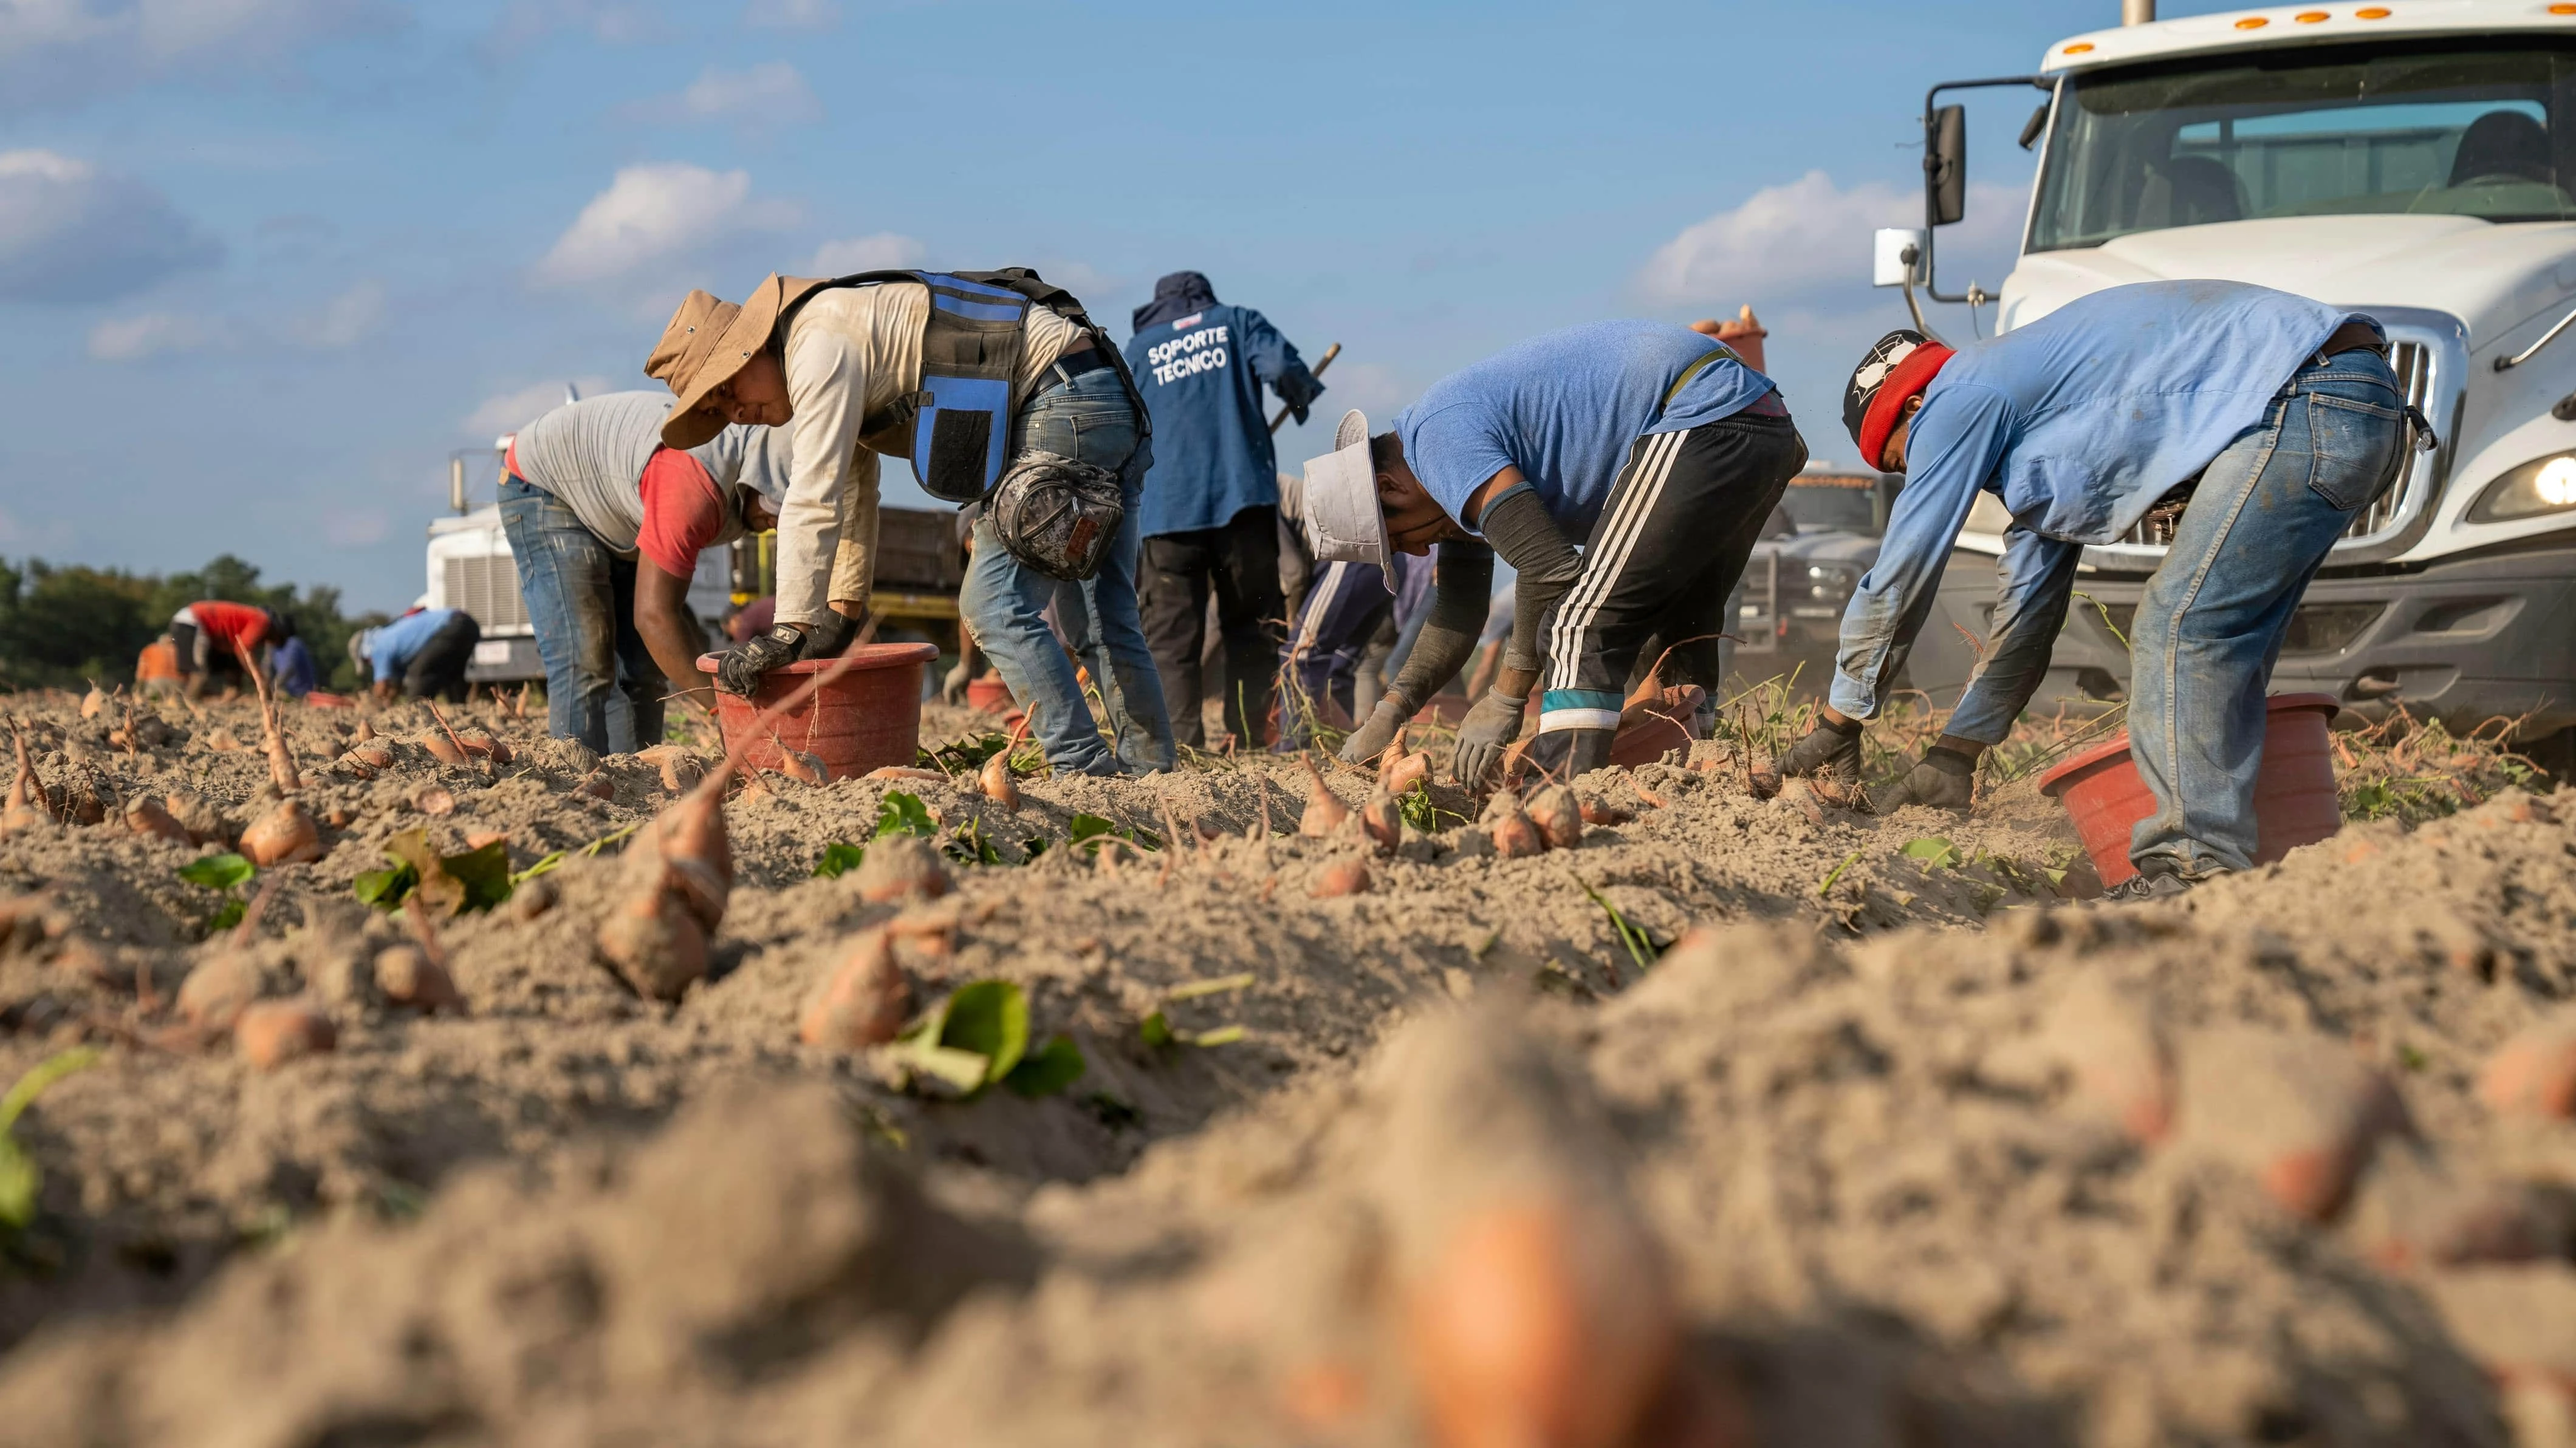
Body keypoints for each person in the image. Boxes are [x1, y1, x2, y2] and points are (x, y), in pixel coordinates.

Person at [1778, 279, 2414, 899]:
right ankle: (2248, 854)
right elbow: (2026, 610)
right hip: (2352, 405)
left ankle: (2191, 866)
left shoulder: (1957, 396)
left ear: (1912, 408)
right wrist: (1955, 752)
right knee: (2221, 639)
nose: (1922, 476)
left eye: (1903, 461)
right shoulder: (2040, 423)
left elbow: (1901, 571)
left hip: (2305, 400)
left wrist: (1839, 718)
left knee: (2179, 623)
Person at [645, 267, 1174, 776]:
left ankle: (1083, 766)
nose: (735, 412)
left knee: (992, 605)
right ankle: (1155, 772)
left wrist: (788, 628)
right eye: (718, 410)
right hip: (1101, 395)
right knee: (1100, 616)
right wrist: (839, 614)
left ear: (754, 346)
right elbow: (854, 491)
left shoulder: (817, 341)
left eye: (728, 389)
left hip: (1058, 404)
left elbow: (813, 495)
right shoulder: (840, 341)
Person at [1304, 313, 1801, 782]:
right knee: (1672, 638)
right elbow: (1458, 609)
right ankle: (1692, 781)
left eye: (1396, 541)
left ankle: (1564, 792)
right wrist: (1392, 710)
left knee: (1578, 627)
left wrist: (1506, 696)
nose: (1414, 555)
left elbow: (1551, 571)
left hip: (1702, 416)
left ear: (1391, 488)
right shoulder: (1438, 466)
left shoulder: (1439, 443)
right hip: (1757, 419)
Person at [498, 391, 789, 754]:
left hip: (617, 507)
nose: (775, 523)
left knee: (642, 668)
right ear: (753, 483)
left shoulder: (755, 474)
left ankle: (633, 784)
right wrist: (724, 708)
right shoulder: (692, 485)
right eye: (774, 510)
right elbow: (654, 617)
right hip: (546, 487)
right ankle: (575, 787)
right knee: (585, 659)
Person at [1123, 272, 1326, 751]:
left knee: (1171, 640)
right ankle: (1248, 739)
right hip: (1241, 506)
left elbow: (1120, 418)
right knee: (1250, 628)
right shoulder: (1237, 323)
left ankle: (1183, 748)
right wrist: (1300, 396)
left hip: (1167, 513)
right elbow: (1279, 368)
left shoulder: (1139, 350)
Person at [367, 606, 482, 702]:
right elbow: (396, 685)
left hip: (452, 625)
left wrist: (375, 704)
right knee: (452, 676)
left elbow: (381, 687)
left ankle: (416, 713)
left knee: (419, 673)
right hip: (469, 626)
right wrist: (391, 698)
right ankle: (460, 710)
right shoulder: (390, 640)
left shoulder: (378, 648)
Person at [168, 601, 281, 699]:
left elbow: (236, 651)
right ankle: (187, 705)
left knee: (228, 666)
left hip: (189, 622)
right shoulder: (262, 620)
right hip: (193, 621)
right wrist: (259, 679)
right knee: (199, 673)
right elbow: (243, 650)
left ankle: (223, 698)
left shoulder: (246, 622)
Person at [270, 627, 318, 699]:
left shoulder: (294, 643)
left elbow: (290, 668)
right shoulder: (275, 648)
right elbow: (266, 665)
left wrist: (274, 685)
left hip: (302, 692)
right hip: (289, 692)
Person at [134, 633, 180, 698]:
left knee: (153, 701)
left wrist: (138, 687)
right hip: (178, 683)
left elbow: (142, 672)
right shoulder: (180, 650)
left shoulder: (150, 649)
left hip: (156, 681)